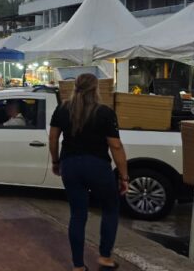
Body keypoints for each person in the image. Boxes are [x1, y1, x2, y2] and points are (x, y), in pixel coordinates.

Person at [48, 73, 129, 271]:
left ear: (75, 87)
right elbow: (116, 146)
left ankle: (78, 266)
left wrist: (56, 161)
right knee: (110, 208)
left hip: (70, 165)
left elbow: (53, 138)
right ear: (96, 89)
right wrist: (124, 176)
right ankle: (105, 258)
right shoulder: (105, 112)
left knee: (77, 215)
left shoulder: (62, 109)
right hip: (97, 166)